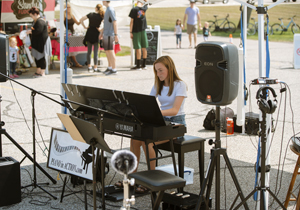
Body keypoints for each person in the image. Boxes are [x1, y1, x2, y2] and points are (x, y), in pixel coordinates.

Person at [128, 55, 187, 193]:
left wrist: (155, 113)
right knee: (135, 138)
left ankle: (151, 181)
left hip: (176, 124)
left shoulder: (180, 85)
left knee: (147, 142)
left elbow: (174, 110)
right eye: (156, 71)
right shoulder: (157, 85)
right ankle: (132, 178)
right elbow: (149, 102)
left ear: (169, 68)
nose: (158, 74)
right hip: (161, 122)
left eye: (161, 70)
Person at [80, 4, 104, 72]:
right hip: (96, 33)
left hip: (89, 32)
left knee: (89, 52)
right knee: (95, 52)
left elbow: (81, 19)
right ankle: (95, 67)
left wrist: (84, 26)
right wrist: (101, 29)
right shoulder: (101, 16)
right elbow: (106, 24)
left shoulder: (90, 14)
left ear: (96, 8)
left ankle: (89, 66)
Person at [27, 7, 49, 78]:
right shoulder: (36, 21)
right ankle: (38, 71)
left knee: (41, 57)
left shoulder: (40, 21)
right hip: (36, 43)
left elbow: (38, 31)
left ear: (36, 14)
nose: (32, 17)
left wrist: (30, 31)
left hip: (41, 43)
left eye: (32, 16)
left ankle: (42, 72)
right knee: (37, 57)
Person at [100, 1, 119, 76]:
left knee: (111, 51)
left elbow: (114, 22)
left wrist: (116, 34)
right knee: (107, 51)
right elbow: (106, 23)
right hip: (106, 33)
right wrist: (102, 33)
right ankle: (110, 67)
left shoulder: (110, 9)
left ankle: (114, 69)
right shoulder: (107, 9)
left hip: (110, 34)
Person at [129, 0, 148, 70]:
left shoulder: (134, 10)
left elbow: (132, 22)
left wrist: (130, 32)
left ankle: (138, 65)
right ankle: (144, 64)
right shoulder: (144, 8)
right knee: (144, 47)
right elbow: (146, 4)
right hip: (143, 30)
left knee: (138, 48)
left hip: (136, 30)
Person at [64, 3, 83, 67]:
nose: (69, 8)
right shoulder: (64, 16)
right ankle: (73, 62)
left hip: (72, 33)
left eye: (69, 7)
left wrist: (81, 20)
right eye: (67, 7)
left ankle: (71, 62)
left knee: (72, 48)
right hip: (67, 33)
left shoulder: (72, 15)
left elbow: (77, 23)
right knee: (68, 48)